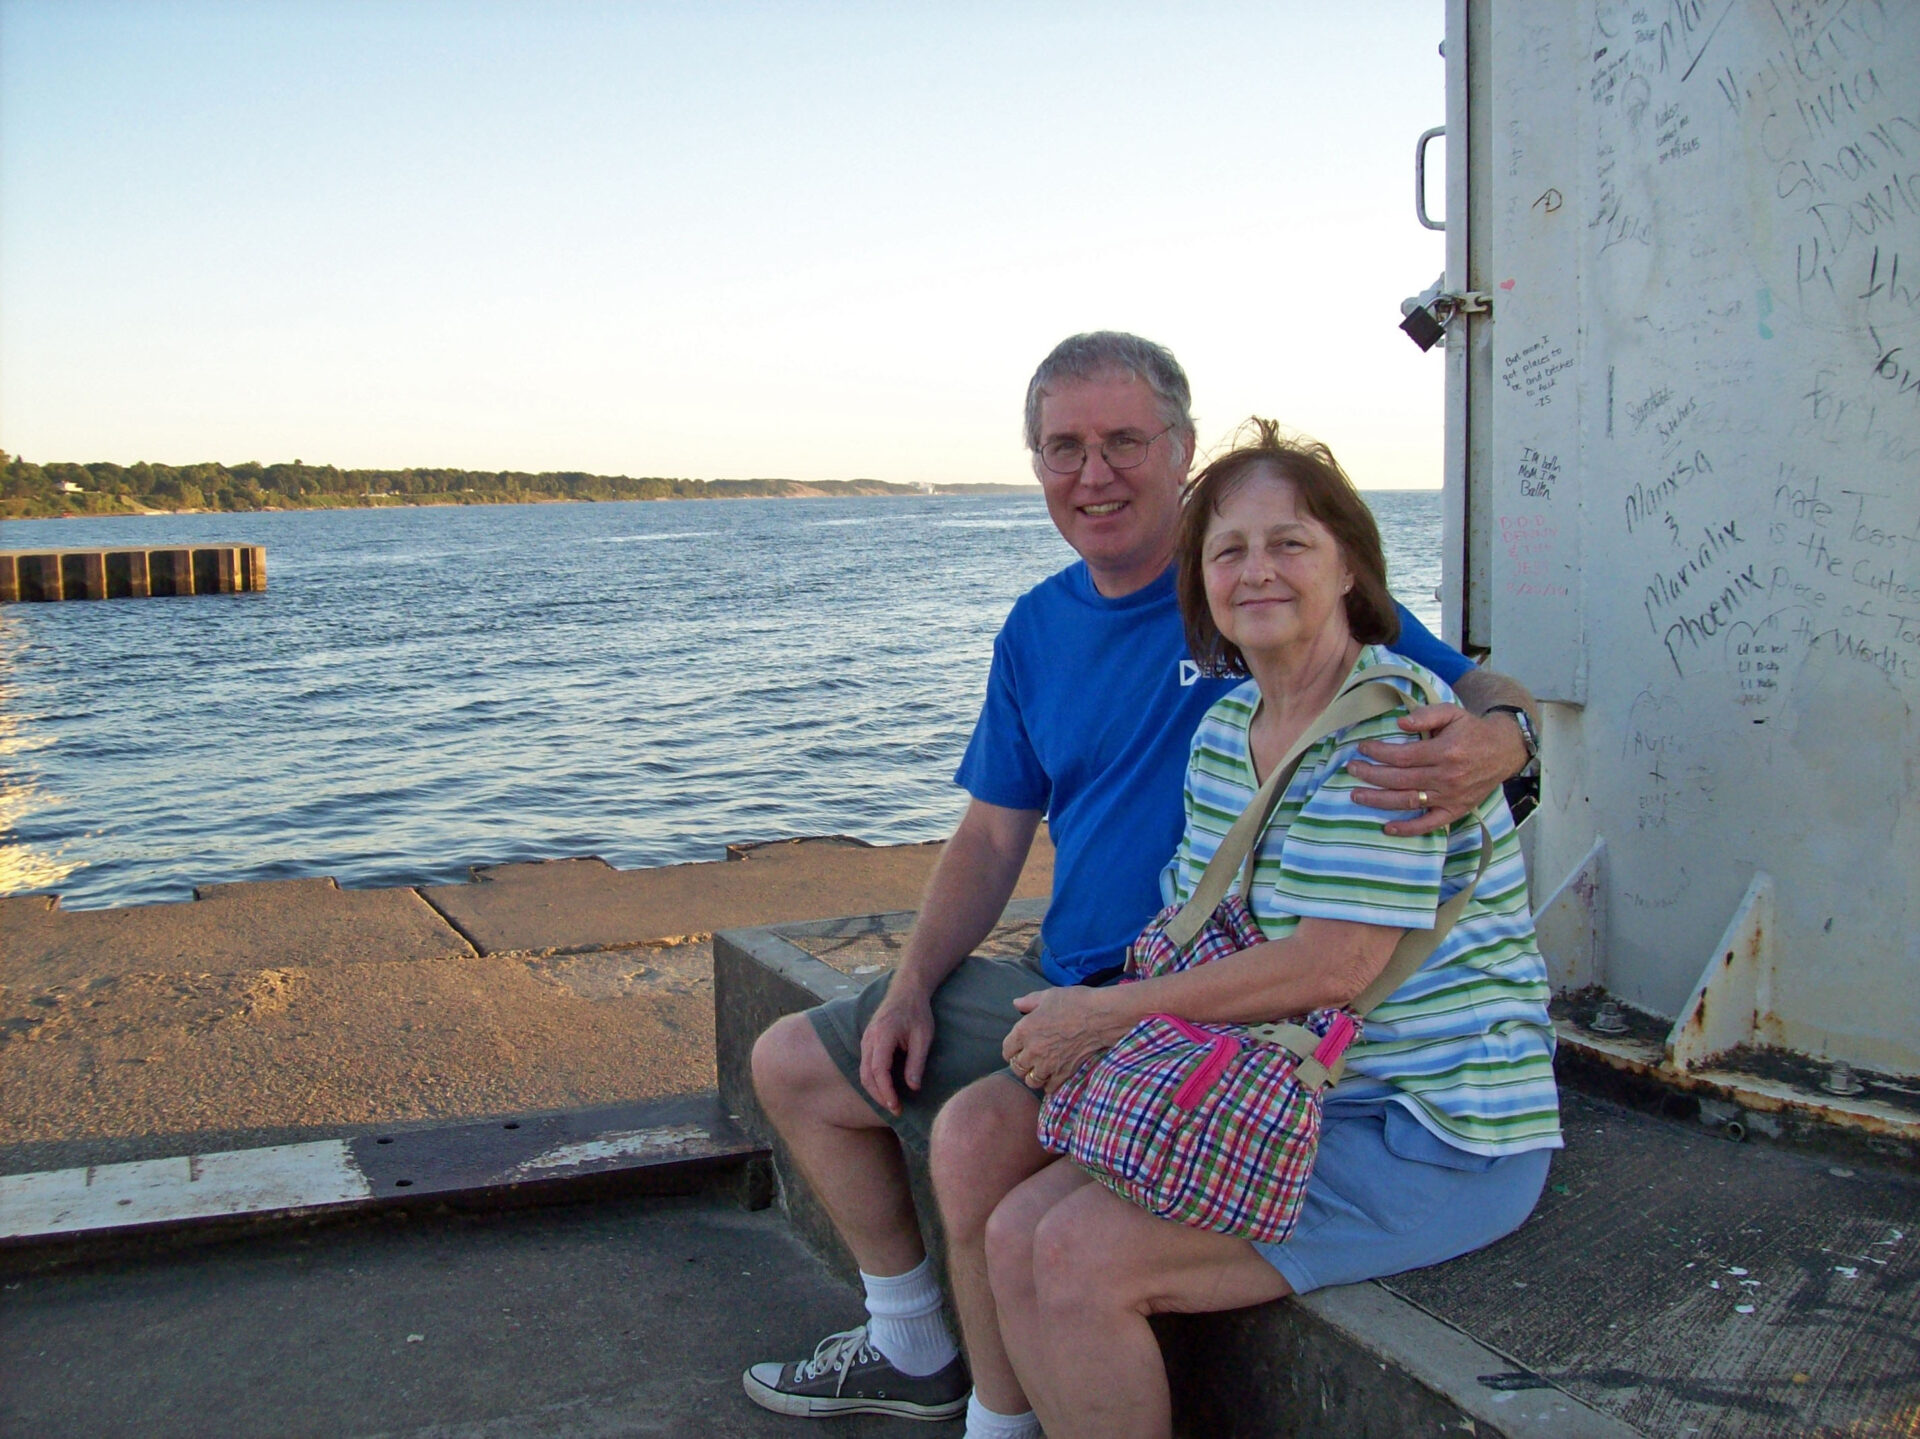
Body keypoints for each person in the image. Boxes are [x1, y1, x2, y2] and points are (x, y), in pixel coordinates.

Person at [743, 333, 1541, 1435]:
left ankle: (997, 1408)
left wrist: (1508, 732)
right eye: (1064, 447)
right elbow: (989, 836)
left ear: (1180, 448)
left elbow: (1358, 916)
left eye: (1125, 440)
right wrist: (914, 980)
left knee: (1015, 1182)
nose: (1095, 471)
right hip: (1128, 985)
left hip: (1307, 1048)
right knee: (810, 1067)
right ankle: (931, 1359)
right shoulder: (1137, 674)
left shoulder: (1345, 669)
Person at [976, 423, 1561, 1439]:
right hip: (1299, 1084)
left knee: (1078, 1255)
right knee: (1017, 1222)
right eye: (1227, 550)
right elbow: (1210, 932)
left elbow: (1337, 963)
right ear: (1197, 586)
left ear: (1349, 567)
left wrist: (1104, 1011)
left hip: (1428, 1129)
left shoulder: (1395, 731)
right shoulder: (1221, 732)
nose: (1258, 571)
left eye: (1289, 543)